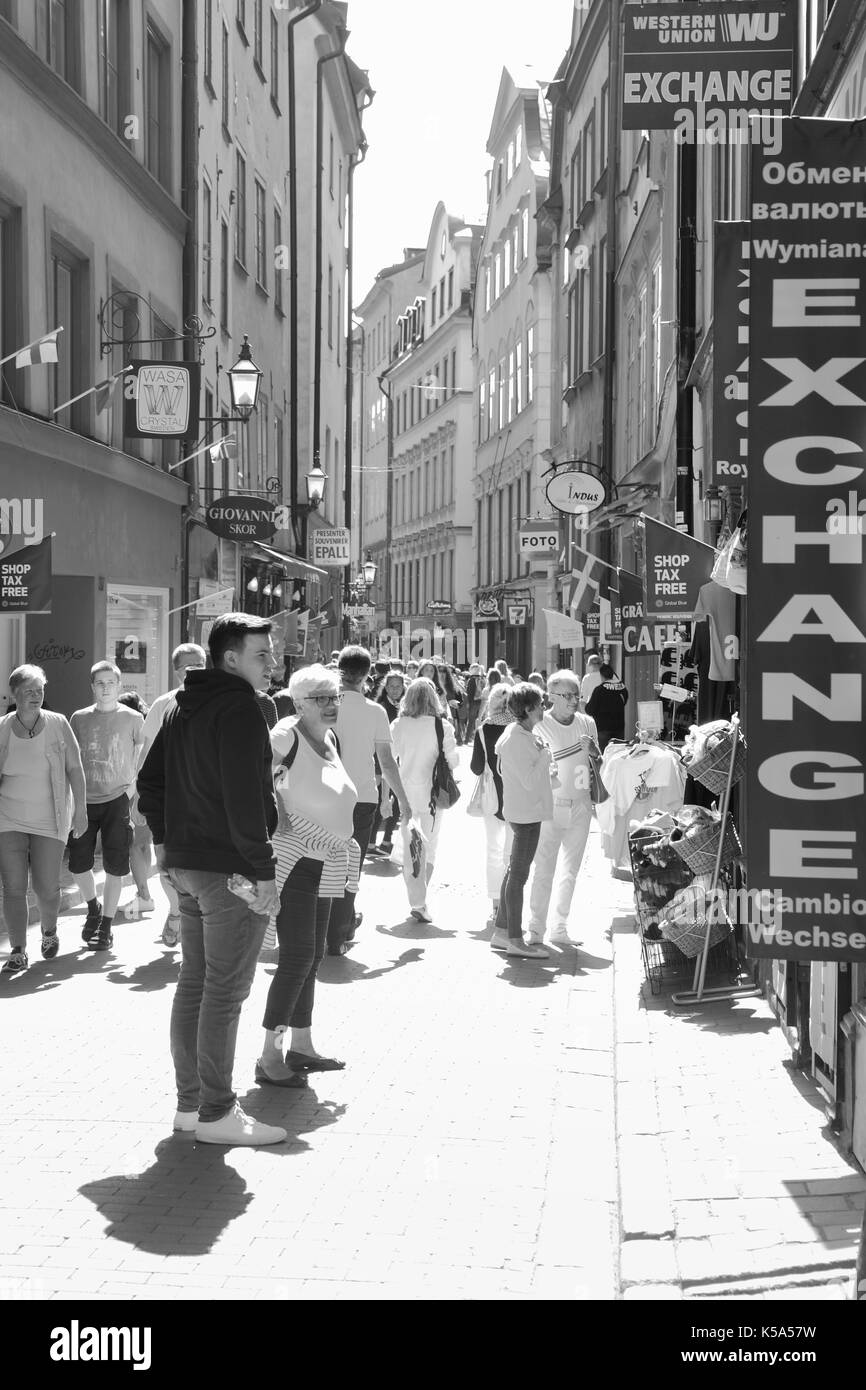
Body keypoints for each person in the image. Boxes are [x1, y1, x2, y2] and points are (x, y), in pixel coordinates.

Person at [137, 612, 286, 1147]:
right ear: (230, 658)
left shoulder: (182, 704)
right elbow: (245, 800)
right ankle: (217, 1111)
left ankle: (192, 1106)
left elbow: (148, 784)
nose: (272, 664)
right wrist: (263, 872)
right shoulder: (240, 708)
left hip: (189, 864)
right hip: (228, 870)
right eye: (261, 655)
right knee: (222, 991)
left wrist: (166, 840)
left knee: (197, 985)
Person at [259, 664, 359, 1082]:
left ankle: (301, 1045)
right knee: (298, 954)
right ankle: (270, 1056)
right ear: (299, 702)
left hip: (327, 859)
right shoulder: (286, 733)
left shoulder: (330, 737)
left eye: (334, 695)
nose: (331, 704)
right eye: (320, 697)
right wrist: (278, 811)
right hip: (296, 858)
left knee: (314, 953)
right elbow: (257, 772)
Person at [0, 665, 87, 973]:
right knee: (13, 886)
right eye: (29, 691)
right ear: (15, 694)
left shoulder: (58, 723)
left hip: (50, 818)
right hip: (8, 817)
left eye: (40, 690)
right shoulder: (2, 728)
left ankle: (49, 931)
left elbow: (75, 768)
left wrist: (81, 810)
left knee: (47, 886)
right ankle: (18, 949)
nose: (36, 696)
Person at [331, 645, 411, 953]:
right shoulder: (375, 711)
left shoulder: (324, 706)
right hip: (361, 796)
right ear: (367, 676)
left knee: (322, 861)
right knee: (352, 866)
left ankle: (335, 922)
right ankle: (340, 931)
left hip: (324, 795)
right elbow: (387, 762)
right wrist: (400, 800)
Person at [69, 661, 146, 952]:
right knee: (78, 864)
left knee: (115, 866)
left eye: (110, 682)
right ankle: (92, 906)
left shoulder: (133, 718)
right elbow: (70, 763)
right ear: (92, 686)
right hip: (84, 799)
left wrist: (132, 793)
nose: (105, 687)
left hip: (118, 799)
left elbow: (142, 759)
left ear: (119, 684)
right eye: (99, 683)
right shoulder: (78, 719)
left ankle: (106, 926)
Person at [137, 644, 208, 946]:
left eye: (200, 664)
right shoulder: (164, 704)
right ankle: (178, 910)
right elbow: (146, 753)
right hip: (166, 800)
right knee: (166, 866)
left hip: (201, 801)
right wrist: (136, 797)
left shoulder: (214, 702)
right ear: (177, 671)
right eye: (188, 666)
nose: (194, 670)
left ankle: (191, 918)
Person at [527, 670, 600, 947]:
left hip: (581, 804)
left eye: (576, 694)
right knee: (544, 867)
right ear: (552, 696)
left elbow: (599, 762)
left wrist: (594, 752)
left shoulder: (587, 722)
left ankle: (560, 926)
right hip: (552, 806)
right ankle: (535, 927)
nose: (574, 700)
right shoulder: (539, 723)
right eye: (568, 695)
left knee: (571, 870)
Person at [490, 682, 557, 959]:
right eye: (540, 704)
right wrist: (544, 756)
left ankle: (502, 931)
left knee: (514, 873)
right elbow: (528, 780)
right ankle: (515, 939)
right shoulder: (517, 738)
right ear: (528, 709)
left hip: (527, 811)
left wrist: (543, 757)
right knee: (518, 875)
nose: (544, 707)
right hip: (525, 813)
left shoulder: (521, 733)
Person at [391, 678, 459, 923]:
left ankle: (416, 898)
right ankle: (420, 901)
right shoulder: (443, 726)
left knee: (410, 845)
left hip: (405, 792)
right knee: (429, 847)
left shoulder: (398, 724)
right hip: (433, 793)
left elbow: (391, 757)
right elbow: (454, 761)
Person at [469, 683, 513, 925]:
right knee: (511, 852)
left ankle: (495, 903)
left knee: (493, 851)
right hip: (516, 795)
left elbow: (476, 767)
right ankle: (509, 900)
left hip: (492, 796)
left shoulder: (484, 730)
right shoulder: (519, 729)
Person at [117, 691, 156, 922]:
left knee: (134, 846)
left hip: (134, 791)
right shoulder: (149, 725)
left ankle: (144, 895)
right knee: (143, 844)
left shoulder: (132, 728)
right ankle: (144, 892)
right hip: (147, 791)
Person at [368, 670, 406, 857]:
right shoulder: (381, 707)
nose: (395, 690)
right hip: (381, 761)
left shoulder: (406, 707)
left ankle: (387, 839)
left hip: (399, 760)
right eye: (391, 686)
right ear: (385, 687)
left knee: (396, 802)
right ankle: (371, 841)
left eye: (398, 686)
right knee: (379, 801)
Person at [586, 663, 629, 751]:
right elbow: (624, 701)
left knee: (604, 756)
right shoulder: (622, 688)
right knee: (618, 755)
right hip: (619, 728)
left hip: (603, 729)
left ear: (601, 676)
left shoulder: (599, 690)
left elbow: (589, 710)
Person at [463, 663, 486, 743]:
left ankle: (466, 739)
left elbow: (470, 693)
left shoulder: (472, 680)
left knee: (471, 721)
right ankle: (477, 738)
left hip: (473, 702)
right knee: (479, 720)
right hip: (481, 701)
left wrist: (468, 703)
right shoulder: (482, 679)